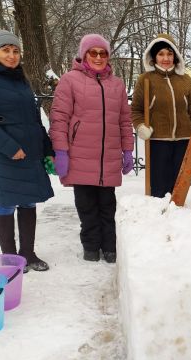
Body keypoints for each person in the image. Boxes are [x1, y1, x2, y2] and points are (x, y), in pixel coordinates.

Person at [0, 30, 54, 272]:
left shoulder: (20, 79)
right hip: (6, 155)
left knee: (28, 203)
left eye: (15, 51)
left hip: (30, 154)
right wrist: (10, 147)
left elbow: (35, 121)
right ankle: (9, 258)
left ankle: (28, 254)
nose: (12, 55)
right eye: (6, 50)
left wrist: (47, 149)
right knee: (7, 204)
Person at [49, 34, 134, 263]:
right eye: (93, 53)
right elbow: (59, 118)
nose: (98, 57)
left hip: (108, 157)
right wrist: (61, 151)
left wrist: (128, 150)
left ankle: (109, 246)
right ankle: (90, 245)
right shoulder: (70, 80)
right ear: (84, 55)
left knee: (107, 204)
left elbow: (124, 121)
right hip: (80, 154)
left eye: (103, 53)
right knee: (86, 205)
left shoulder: (117, 85)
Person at [130, 33, 191, 198]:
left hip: (184, 142)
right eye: (161, 54)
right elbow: (135, 110)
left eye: (169, 54)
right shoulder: (145, 80)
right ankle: (160, 221)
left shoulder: (185, 80)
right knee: (160, 190)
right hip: (158, 143)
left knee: (182, 188)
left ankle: (182, 220)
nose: (166, 58)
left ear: (175, 56)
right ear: (154, 57)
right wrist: (140, 126)